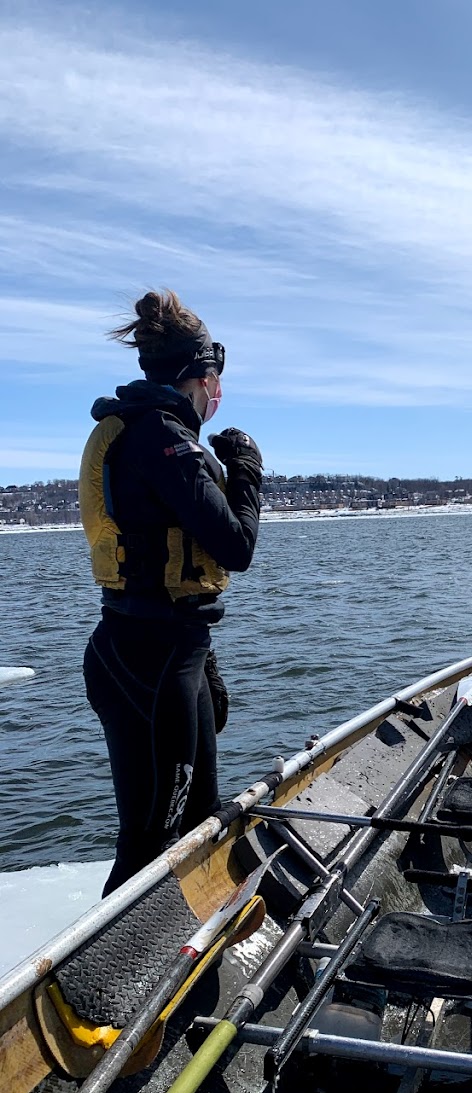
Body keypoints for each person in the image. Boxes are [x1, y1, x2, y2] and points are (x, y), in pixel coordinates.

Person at [80, 290, 263, 894]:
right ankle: (112, 976)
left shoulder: (142, 431)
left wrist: (202, 659)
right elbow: (236, 546)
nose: (218, 394)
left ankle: (187, 949)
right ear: (199, 377)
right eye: (215, 380)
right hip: (151, 665)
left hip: (156, 649)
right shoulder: (165, 441)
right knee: (149, 844)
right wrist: (246, 475)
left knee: (195, 821)